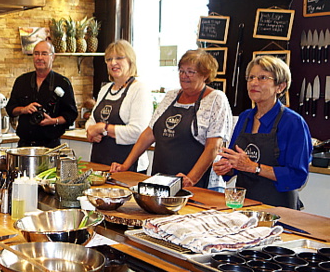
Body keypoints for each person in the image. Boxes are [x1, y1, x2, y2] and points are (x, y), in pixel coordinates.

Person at [111, 49, 233, 189]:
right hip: (162, 178)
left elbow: (214, 146)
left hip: (196, 184)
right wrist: (125, 165)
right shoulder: (171, 96)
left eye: (190, 72)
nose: (184, 76)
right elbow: (149, 133)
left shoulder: (216, 99)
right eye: (181, 71)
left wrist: (191, 179)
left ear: (205, 75)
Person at [213, 55, 312, 209]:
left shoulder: (293, 123)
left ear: (280, 86)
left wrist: (255, 167)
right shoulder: (245, 117)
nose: (254, 83)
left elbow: (297, 176)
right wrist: (226, 166)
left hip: (278, 208)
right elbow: (234, 161)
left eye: (262, 78)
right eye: (251, 77)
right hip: (244, 205)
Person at [85, 40, 153, 172]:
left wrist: (103, 128)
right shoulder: (105, 89)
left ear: (130, 60)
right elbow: (91, 121)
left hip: (128, 166)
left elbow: (138, 132)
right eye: (109, 59)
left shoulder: (139, 89)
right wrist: (91, 131)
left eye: (119, 58)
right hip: (100, 162)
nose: (113, 63)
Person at [6, 40, 78, 148]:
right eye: (36, 53)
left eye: (44, 54)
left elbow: (71, 115)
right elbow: (10, 109)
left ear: (53, 57)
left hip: (51, 147)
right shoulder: (21, 81)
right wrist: (24, 109)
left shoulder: (63, 83)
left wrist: (52, 121)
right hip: (24, 146)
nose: (39, 58)